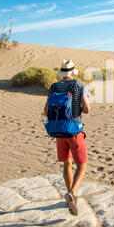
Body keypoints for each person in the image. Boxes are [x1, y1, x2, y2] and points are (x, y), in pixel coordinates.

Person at [44, 59, 90, 216]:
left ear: (62, 73)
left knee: (67, 165)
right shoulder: (79, 86)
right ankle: (72, 193)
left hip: (59, 132)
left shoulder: (53, 87)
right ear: (73, 72)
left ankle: (71, 198)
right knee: (82, 166)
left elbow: (45, 110)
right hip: (74, 131)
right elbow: (87, 109)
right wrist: (80, 109)